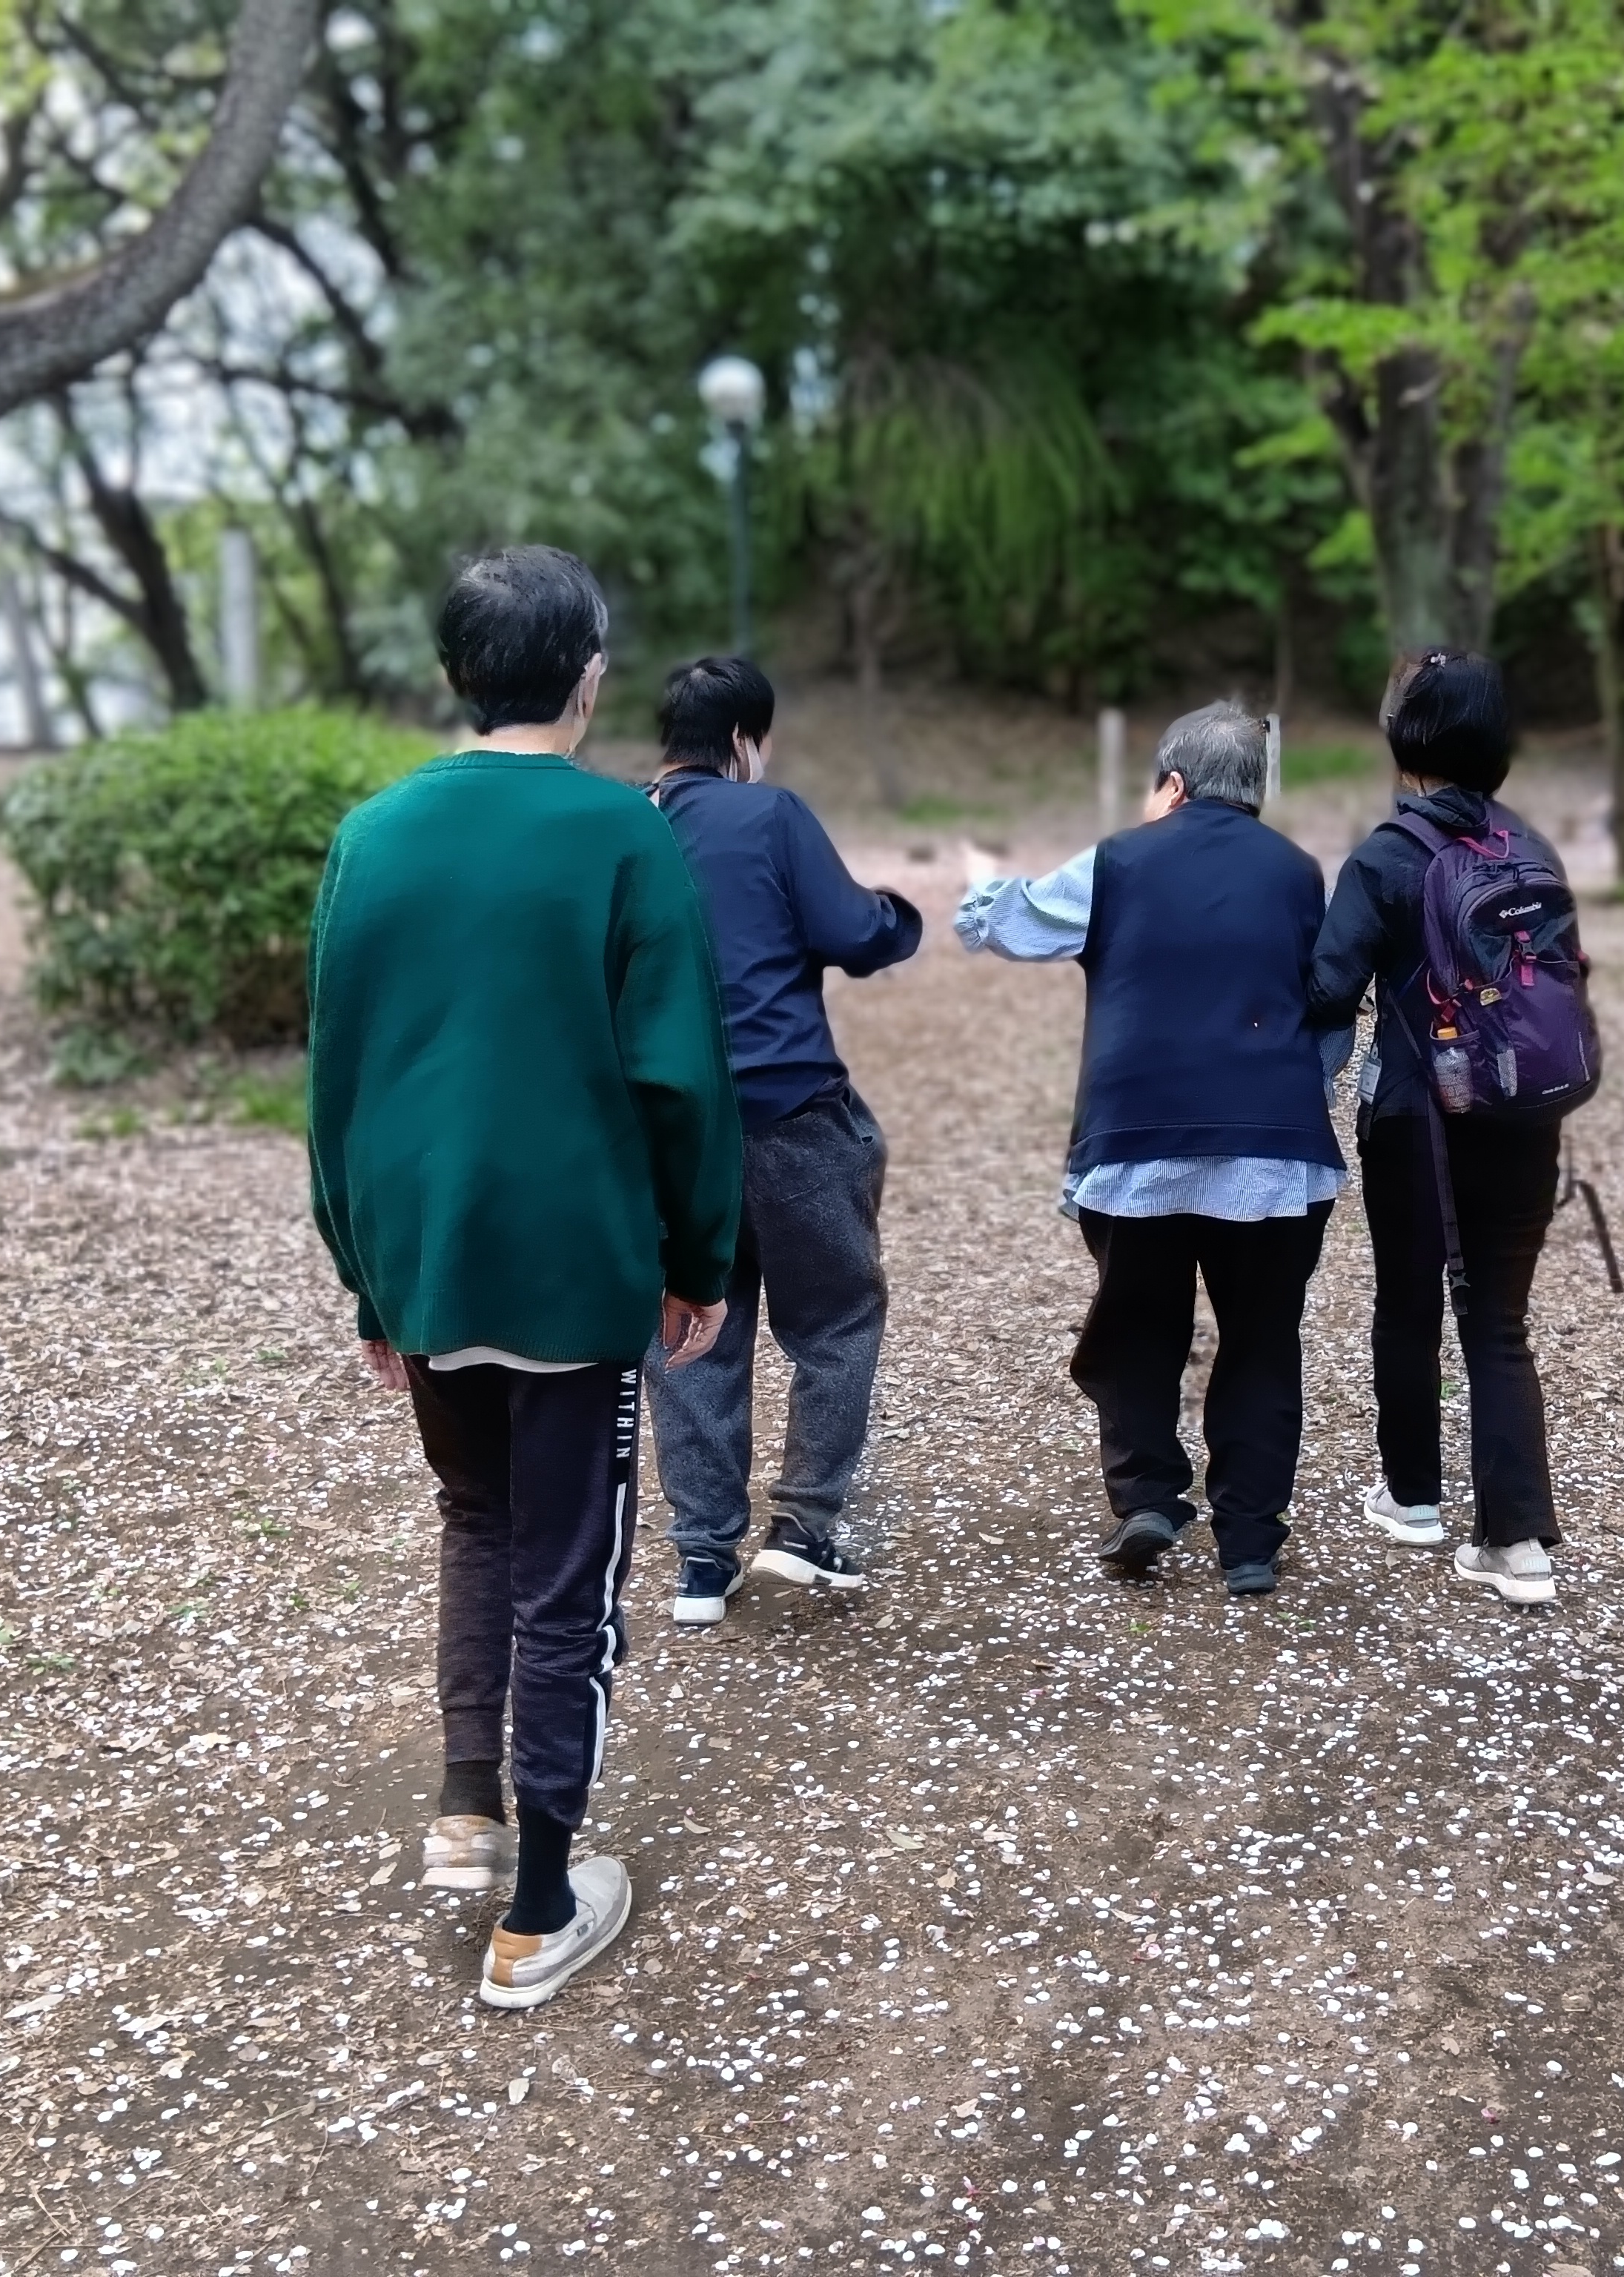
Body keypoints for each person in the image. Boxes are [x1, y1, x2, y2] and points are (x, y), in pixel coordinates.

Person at [306, 546, 741, 2009]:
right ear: (591, 676)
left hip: (426, 1253)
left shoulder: (372, 836)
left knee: (476, 1514)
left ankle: (465, 1805)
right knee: (568, 1571)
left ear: (453, 674)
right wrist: (700, 1256)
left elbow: (338, 1077)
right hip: (571, 1262)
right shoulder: (624, 834)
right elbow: (681, 1077)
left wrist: (367, 1278)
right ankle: (541, 1906)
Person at [955, 703, 1344, 1597]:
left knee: (1136, 1323)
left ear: (1172, 784)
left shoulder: (1119, 861)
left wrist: (981, 884)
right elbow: (1324, 1005)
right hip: (1273, 1148)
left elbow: (999, 923)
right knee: (1261, 1339)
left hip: (1137, 1142)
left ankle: (1148, 1499)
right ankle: (1250, 1541)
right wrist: (1302, 1093)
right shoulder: (1298, 872)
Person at [642, 657, 921, 1626]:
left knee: (688, 1334)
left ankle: (701, 1559)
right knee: (836, 1322)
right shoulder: (770, 814)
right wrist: (900, 916)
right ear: (743, 742)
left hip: (669, 1131)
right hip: (792, 1114)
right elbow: (855, 932)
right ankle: (803, 1529)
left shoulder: (624, 825)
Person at [1308, 651, 1569, 1608]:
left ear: (1407, 739)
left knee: (1408, 1306)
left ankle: (1414, 1496)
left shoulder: (1386, 856)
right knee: (1497, 1320)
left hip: (1418, 1113)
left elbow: (1327, 987)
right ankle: (1516, 1541)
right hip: (1527, 1109)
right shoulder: (1529, 849)